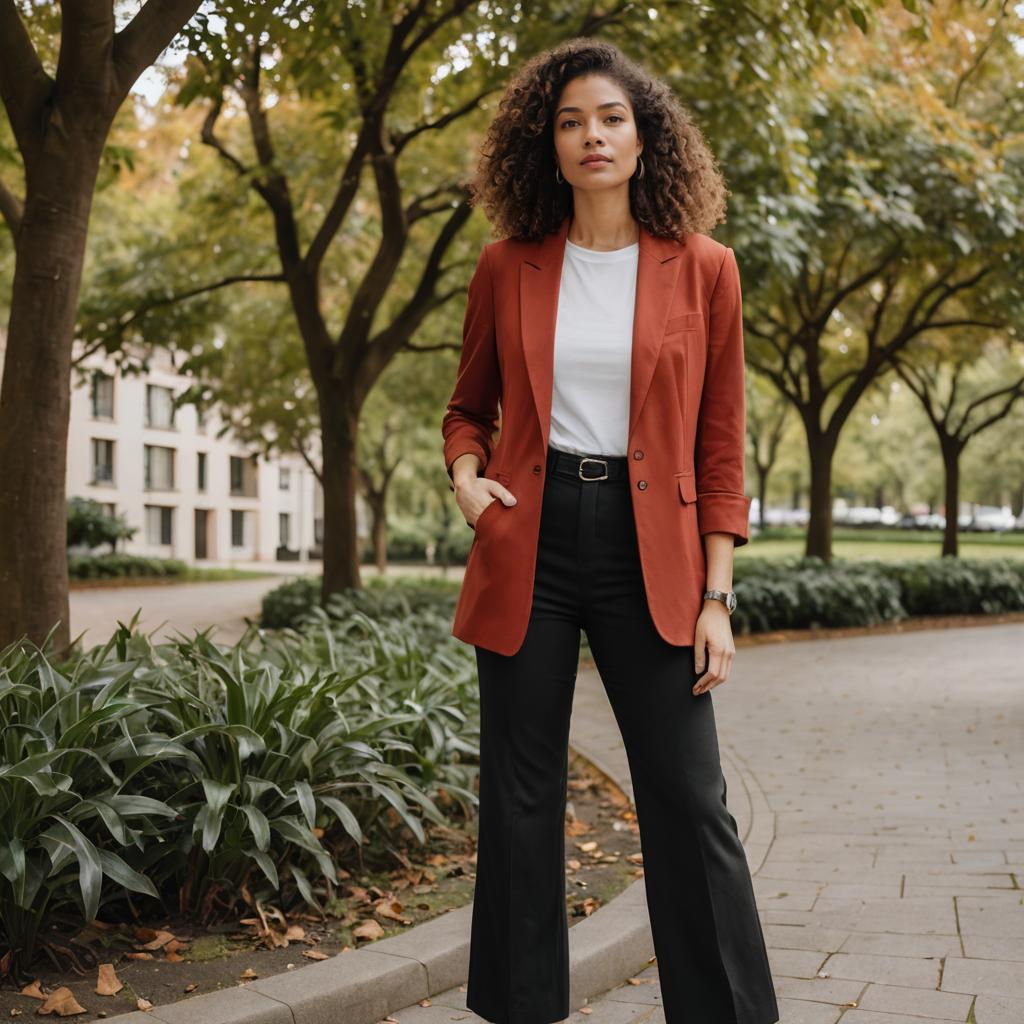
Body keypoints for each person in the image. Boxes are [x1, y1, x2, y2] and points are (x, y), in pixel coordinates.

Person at [441, 38, 779, 1024]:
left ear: (645, 137)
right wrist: (468, 479)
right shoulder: (507, 267)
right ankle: (520, 1008)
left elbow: (720, 450)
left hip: (656, 552)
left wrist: (718, 597)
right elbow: (469, 407)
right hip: (530, 541)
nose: (591, 135)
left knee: (688, 797)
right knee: (519, 802)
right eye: (569, 122)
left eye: (611, 118)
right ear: (546, 146)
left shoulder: (705, 270)